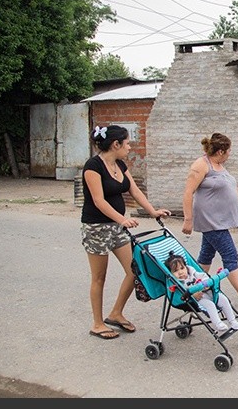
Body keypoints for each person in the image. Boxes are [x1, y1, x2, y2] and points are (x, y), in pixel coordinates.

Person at [81, 124, 171, 340]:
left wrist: (153, 212)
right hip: (97, 228)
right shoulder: (93, 166)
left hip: (118, 227)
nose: (130, 147)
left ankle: (116, 313)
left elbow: (134, 190)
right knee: (99, 277)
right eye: (127, 143)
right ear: (116, 144)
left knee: (135, 269)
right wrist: (123, 219)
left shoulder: (120, 164)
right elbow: (98, 201)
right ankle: (97, 323)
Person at [182, 132, 238, 307]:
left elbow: (232, 185)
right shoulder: (201, 165)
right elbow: (188, 192)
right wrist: (188, 219)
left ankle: (194, 291)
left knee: (206, 255)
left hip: (219, 220)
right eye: (228, 151)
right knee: (230, 254)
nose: (230, 154)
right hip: (210, 220)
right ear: (221, 151)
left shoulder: (218, 165)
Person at [164, 252, 238, 332]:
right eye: (176, 271)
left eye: (182, 268)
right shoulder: (178, 283)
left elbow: (203, 276)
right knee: (210, 305)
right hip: (198, 299)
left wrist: (206, 283)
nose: (180, 272)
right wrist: (192, 295)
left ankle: (232, 321)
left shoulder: (193, 273)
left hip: (208, 293)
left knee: (223, 299)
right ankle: (218, 324)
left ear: (186, 267)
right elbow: (182, 294)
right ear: (171, 273)